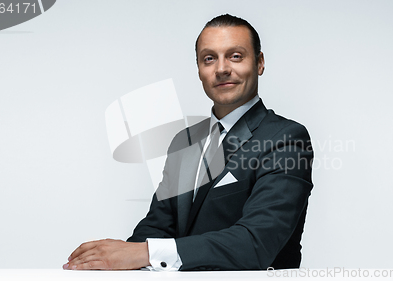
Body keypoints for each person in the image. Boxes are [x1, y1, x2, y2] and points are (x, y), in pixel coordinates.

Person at [63, 14, 313, 271]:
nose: (222, 68)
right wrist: (112, 262)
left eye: (235, 56)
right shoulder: (185, 142)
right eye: (209, 58)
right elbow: (159, 225)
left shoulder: (286, 138)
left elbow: (256, 243)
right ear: (199, 70)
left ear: (259, 63)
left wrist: (145, 253)